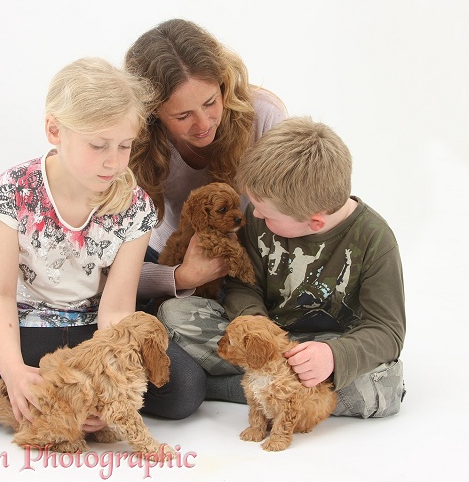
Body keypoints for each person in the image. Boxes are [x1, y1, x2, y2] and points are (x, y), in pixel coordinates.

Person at [0, 57, 206, 438]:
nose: (113, 161)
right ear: (54, 130)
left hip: (93, 330)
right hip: (27, 324)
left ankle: (7, 366)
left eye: (124, 146)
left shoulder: (134, 206)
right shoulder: (16, 189)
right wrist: (13, 372)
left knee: (185, 393)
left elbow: (115, 309)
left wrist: (103, 388)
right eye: (98, 145)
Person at [157, 117, 406, 418]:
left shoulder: (375, 239)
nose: (254, 214)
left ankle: (228, 388)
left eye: (265, 211)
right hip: (264, 341)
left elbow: (387, 330)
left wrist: (333, 357)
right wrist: (256, 326)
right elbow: (242, 285)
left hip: (320, 347)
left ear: (314, 221)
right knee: (174, 314)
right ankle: (280, 391)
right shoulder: (261, 220)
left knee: (383, 386)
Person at [124, 18, 288, 301]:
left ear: (224, 85)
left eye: (211, 102)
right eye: (182, 116)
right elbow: (110, 273)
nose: (203, 124)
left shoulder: (265, 116)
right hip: (166, 257)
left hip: (254, 255)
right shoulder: (131, 140)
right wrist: (181, 276)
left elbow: (294, 217)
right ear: (153, 115)